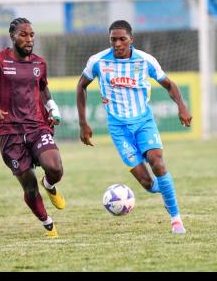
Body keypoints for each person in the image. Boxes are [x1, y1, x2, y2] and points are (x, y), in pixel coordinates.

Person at [76, 20, 192, 234]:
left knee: (157, 162)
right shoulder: (98, 61)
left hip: (144, 122)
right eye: (113, 39)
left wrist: (182, 107)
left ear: (131, 39)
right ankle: (164, 192)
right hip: (119, 130)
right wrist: (83, 123)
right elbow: (81, 86)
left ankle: (176, 219)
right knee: (148, 183)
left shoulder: (145, 61)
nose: (117, 44)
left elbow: (169, 85)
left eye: (122, 39)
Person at [0, 17, 66, 238]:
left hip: (37, 126)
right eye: (23, 34)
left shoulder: (39, 63)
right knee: (29, 187)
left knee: (55, 167)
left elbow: (43, 88)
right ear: (12, 36)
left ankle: (50, 184)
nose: (29, 39)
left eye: (32, 35)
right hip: (10, 133)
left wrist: (52, 108)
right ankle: (48, 223)